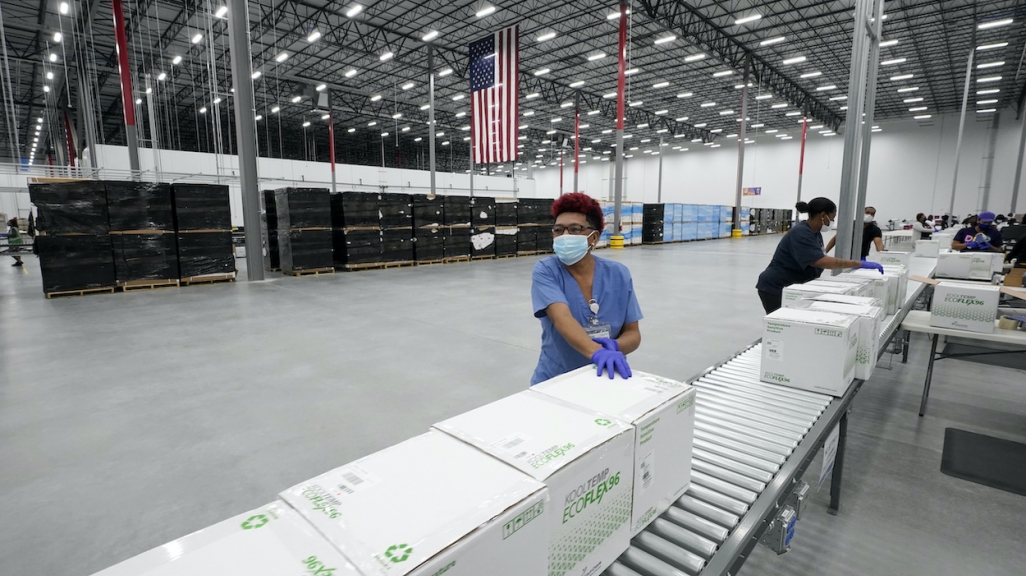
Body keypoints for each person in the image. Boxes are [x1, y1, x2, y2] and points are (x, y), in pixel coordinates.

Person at [531, 192, 642, 384]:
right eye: (558, 230)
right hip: (557, 379)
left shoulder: (618, 274)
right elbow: (562, 318)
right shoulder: (547, 270)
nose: (564, 236)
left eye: (575, 229)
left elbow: (633, 333)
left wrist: (615, 345)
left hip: (606, 375)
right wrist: (597, 352)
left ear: (594, 237)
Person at [756, 198, 884, 314]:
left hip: (794, 285)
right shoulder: (801, 233)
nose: (833, 222)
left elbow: (821, 255)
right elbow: (822, 261)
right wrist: (859, 263)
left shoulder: (815, 233)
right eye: (832, 218)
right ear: (823, 215)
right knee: (783, 323)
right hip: (776, 287)